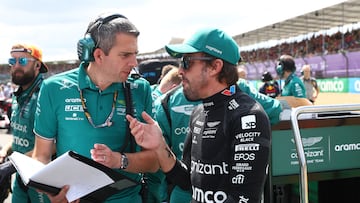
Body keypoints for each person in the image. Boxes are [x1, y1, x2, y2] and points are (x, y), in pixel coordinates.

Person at [127, 28, 272, 203]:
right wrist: (159, 146)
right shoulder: (199, 113)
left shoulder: (248, 117)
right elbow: (187, 181)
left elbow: (243, 199)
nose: (180, 70)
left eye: (187, 62)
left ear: (215, 66)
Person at [31, 12, 159, 203]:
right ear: (98, 55)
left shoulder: (140, 89)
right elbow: (40, 155)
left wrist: (119, 160)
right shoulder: (54, 89)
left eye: (135, 54)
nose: (134, 63)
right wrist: (51, 193)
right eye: (125, 55)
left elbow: (154, 161)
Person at [0, 43, 51, 203]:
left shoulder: (46, 94)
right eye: (12, 61)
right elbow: (20, 137)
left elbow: (53, 143)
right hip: (21, 177)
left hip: (42, 179)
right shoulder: (18, 95)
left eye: (22, 61)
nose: (15, 66)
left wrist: (11, 165)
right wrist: (5, 153)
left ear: (37, 65)